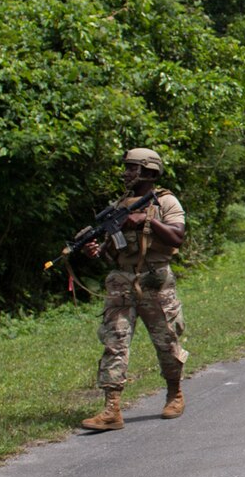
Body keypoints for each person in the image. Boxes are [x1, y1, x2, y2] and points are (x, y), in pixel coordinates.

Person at [79, 147, 188, 431]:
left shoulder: (165, 202)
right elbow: (114, 249)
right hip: (121, 282)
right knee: (114, 341)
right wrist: (98, 250)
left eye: (132, 168)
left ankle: (174, 393)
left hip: (155, 281)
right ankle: (111, 408)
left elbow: (178, 236)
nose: (127, 173)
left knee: (166, 341)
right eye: (126, 168)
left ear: (149, 171)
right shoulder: (118, 205)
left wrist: (147, 220)